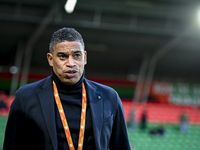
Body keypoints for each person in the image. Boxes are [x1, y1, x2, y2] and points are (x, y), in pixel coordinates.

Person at [3, 27, 131, 150]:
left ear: (85, 57)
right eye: (63, 56)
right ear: (50, 59)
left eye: (76, 55)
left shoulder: (109, 97)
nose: (71, 63)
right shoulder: (25, 98)